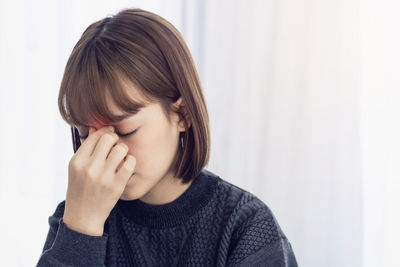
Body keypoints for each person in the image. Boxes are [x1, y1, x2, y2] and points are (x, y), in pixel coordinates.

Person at [36, 7, 298, 267]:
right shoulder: (75, 219)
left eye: (126, 131)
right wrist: (81, 229)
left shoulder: (245, 227)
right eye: (85, 136)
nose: (107, 153)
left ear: (182, 114)